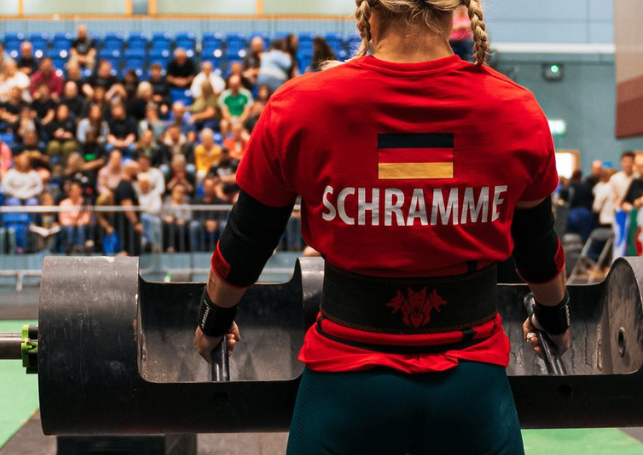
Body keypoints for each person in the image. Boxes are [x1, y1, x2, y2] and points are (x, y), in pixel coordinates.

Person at [192, 1, 568, 454]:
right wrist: (554, 320)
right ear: (455, 14)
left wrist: (214, 321)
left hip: (343, 390)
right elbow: (538, 249)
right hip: (472, 392)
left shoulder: (299, 105)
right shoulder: (516, 108)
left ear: (368, 13)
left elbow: (247, 241)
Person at [111, 161, 143, 256]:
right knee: (128, 251)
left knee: (130, 251)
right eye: (136, 170)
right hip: (127, 226)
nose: (138, 173)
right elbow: (127, 206)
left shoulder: (127, 184)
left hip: (128, 225)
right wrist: (135, 223)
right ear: (130, 170)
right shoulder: (124, 186)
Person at [58, 181, 92, 253]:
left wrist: (78, 222)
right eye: (73, 190)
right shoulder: (64, 203)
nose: (75, 192)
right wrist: (72, 222)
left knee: (80, 227)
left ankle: (80, 247)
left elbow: (86, 218)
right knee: (70, 228)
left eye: (77, 190)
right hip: (68, 225)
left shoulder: (85, 202)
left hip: (81, 224)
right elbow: (63, 219)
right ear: (70, 192)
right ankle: (69, 246)